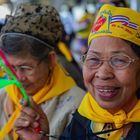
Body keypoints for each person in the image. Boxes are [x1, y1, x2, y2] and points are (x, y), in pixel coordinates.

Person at [12, 4, 140, 140]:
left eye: (119, 60)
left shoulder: (74, 103)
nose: (102, 73)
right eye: (94, 59)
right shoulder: (84, 116)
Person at [0, 3, 85, 140]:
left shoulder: (77, 107)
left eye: (26, 68)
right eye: (10, 68)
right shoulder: (3, 96)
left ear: (51, 60)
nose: (17, 78)